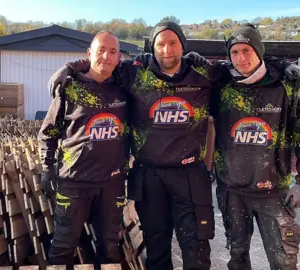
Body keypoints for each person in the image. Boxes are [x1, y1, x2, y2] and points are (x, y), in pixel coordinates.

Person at [50, 21, 216, 270]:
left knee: (196, 249)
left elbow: (244, 69)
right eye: (161, 44)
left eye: (173, 43)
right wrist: (70, 67)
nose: (167, 50)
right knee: (157, 248)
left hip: (190, 174)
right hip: (149, 174)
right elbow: (103, 62)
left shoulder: (204, 74)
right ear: (153, 47)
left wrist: (283, 68)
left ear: (183, 45)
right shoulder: (136, 71)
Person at [209, 24, 300, 270]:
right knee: (237, 258)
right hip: (231, 191)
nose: (241, 57)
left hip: (273, 190)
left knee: (283, 260)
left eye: (247, 50)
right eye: (235, 52)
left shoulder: (286, 85)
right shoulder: (221, 86)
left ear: (258, 52)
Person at [38, 30, 130, 269]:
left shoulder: (125, 88)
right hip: (74, 181)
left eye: (112, 51)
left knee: (110, 247)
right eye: (101, 50)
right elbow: (49, 133)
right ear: (89, 53)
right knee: (63, 245)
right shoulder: (69, 88)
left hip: (112, 183)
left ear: (119, 57)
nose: (106, 56)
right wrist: (47, 168)